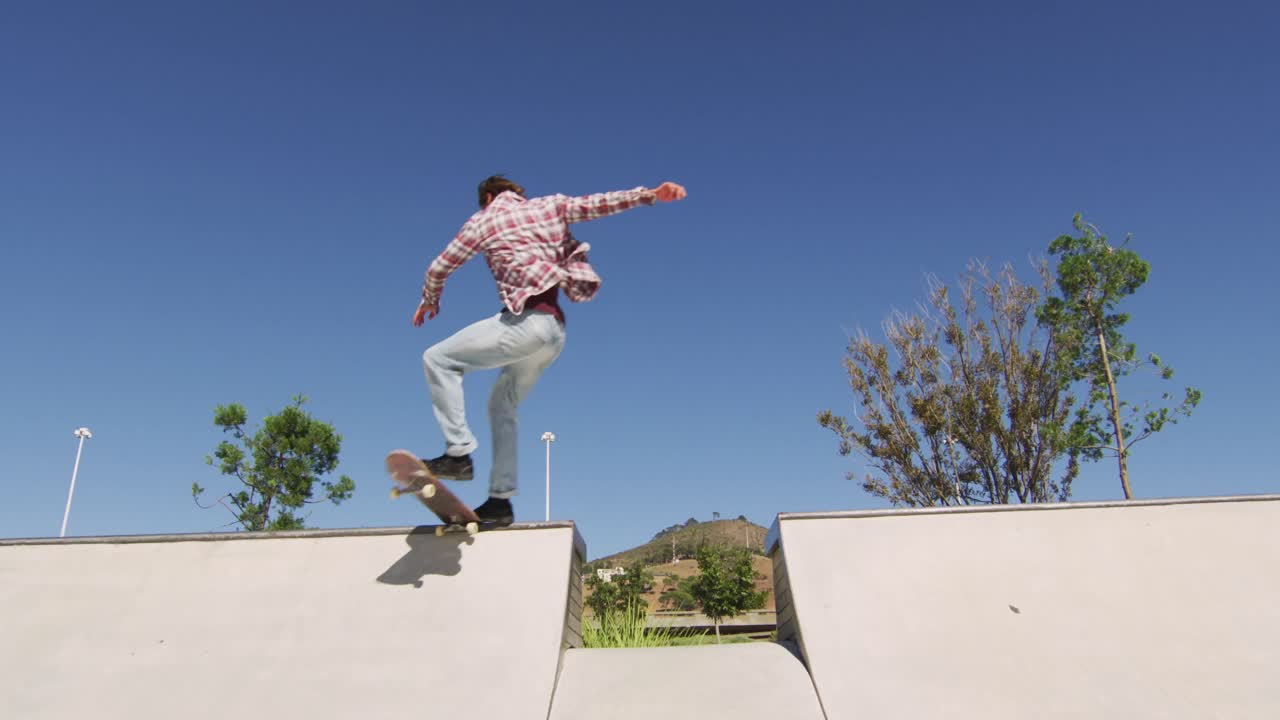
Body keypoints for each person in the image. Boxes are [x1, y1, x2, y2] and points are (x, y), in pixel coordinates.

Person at [413, 175, 687, 524]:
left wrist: (430, 299)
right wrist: (649, 195)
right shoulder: (549, 205)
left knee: (437, 359)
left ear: (489, 197)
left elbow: (439, 267)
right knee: (502, 405)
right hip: (553, 333)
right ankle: (500, 501)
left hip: (524, 326)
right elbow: (596, 204)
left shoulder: (484, 218)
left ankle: (458, 453)